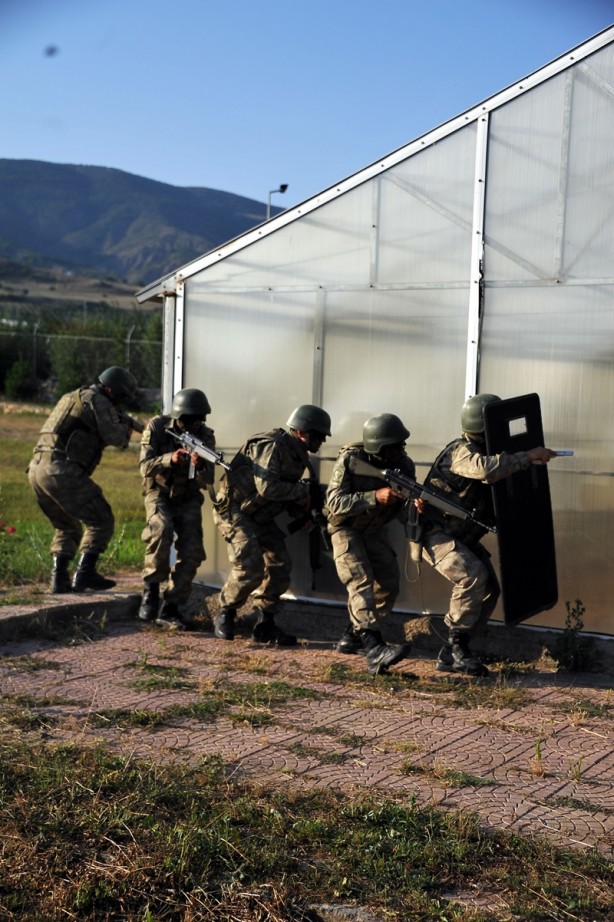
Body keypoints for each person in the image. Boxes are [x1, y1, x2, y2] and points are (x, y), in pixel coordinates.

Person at [420, 393, 557, 677]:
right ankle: (457, 648)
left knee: (490, 590)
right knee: (472, 576)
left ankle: (454, 648)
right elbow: (485, 470)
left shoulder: (490, 450)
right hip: (437, 535)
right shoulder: (461, 452)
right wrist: (528, 456)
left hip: (462, 537)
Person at [212, 404, 331, 646]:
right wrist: (302, 492)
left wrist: (303, 506)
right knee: (250, 566)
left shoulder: (298, 455)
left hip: (260, 514)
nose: (321, 441)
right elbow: (267, 488)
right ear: (301, 432)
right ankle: (226, 611)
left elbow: (282, 492)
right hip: (235, 510)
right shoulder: (272, 445)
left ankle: (265, 624)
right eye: (318, 436)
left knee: (280, 564)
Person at [27, 365, 138, 594]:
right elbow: (116, 438)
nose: (120, 402)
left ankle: (59, 580)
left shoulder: (71, 396)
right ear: (111, 390)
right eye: (121, 397)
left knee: (66, 525)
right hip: (60, 471)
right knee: (101, 518)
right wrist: (125, 428)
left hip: (37, 470)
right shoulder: (99, 401)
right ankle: (85, 573)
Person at [325, 413, 415, 675]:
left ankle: (353, 635)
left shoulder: (404, 465)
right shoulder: (351, 459)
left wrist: (415, 506)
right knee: (360, 580)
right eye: (394, 447)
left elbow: (404, 508)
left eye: (401, 445)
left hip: (374, 529)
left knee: (388, 583)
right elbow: (334, 503)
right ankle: (374, 648)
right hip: (345, 527)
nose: (400, 451)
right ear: (378, 447)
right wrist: (374, 496)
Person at [138, 388, 216, 630]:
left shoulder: (206, 436)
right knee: (161, 529)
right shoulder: (158, 427)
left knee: (193, 552)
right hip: (159, 492)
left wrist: (200, 465)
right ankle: (151, 591)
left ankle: (172, 606)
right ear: (180, 417)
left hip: (188, 497)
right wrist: (169, 459)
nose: (197, 424)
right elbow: (144, 467)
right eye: (192, 419)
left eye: (201, 419)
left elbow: (208, 480)